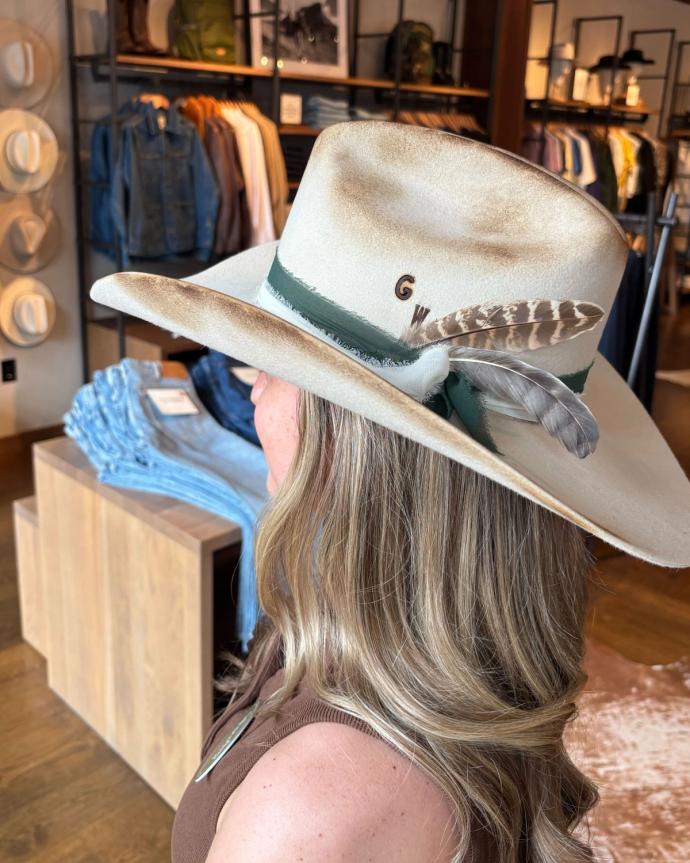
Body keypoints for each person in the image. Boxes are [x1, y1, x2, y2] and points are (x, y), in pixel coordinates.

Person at [91, 121, 690, 863]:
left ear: (355, 451)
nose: (253, 391)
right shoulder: (478, 653)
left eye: (278, 367)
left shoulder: (302, 810)